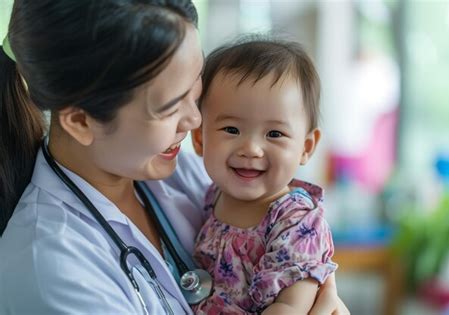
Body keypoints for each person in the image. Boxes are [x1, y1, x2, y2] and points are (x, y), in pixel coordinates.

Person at [0, 1, 348, 314]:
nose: (196, 120)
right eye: (169, 107)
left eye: (196, 91)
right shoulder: (51, 268)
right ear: (80, 120)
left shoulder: (183, 171)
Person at [190, 37, 339, 315]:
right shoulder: (213, 195)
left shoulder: (296, 221)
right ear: (199, 138)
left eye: (274, 134)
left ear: (306, 147)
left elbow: (290, 307)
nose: (251, 149)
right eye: (231, 129)